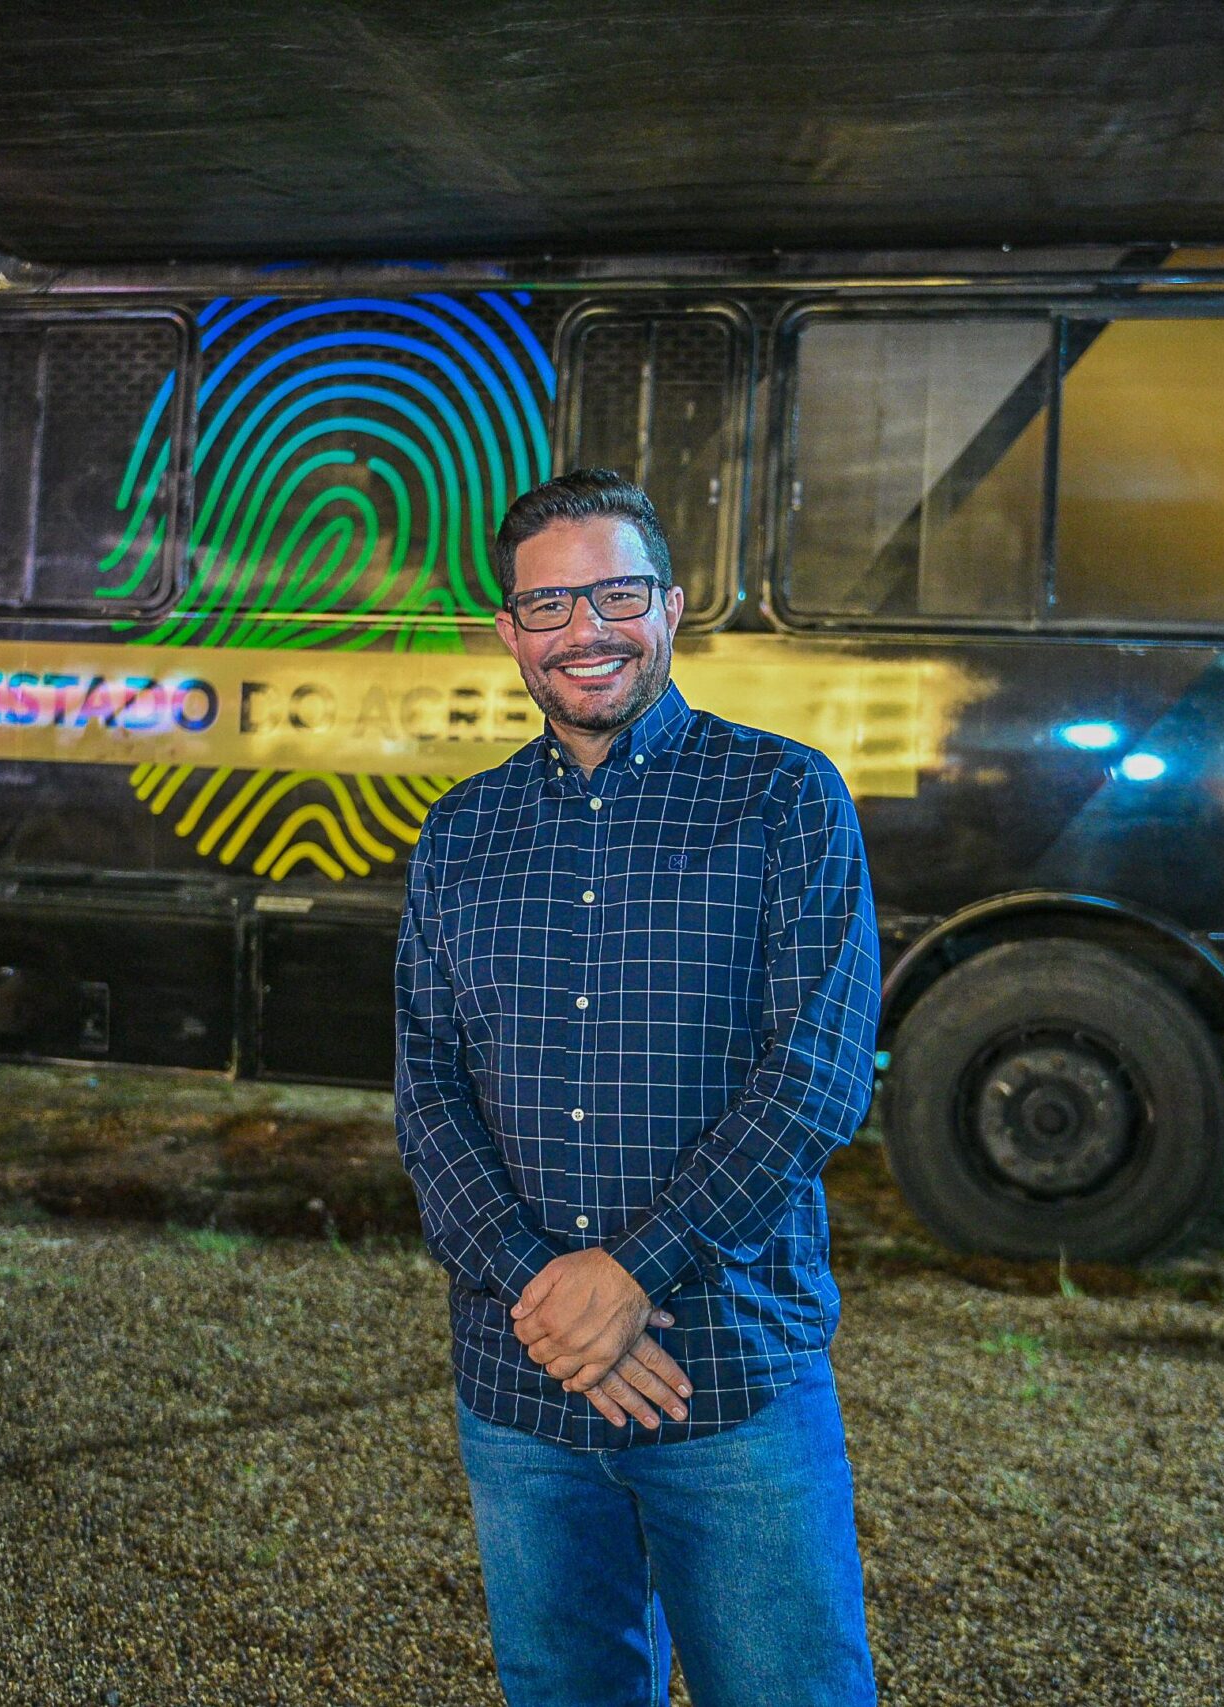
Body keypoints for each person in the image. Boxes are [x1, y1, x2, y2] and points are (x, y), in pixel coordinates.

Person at [393, 469, 881, 1706]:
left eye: (615, 594)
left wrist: (629, 1276)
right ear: (509, 632)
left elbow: (815, 1079)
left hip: (727, 1375)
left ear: (669, 604)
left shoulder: (785, 798)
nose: (584, 631)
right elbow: (430, 1095)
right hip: (522, 1389)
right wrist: (549, 1299)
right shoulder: (459, 832)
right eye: (548, 606)